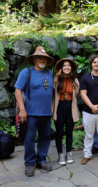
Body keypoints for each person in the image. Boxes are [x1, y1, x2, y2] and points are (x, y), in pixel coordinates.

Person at [15, 46, 55, 177]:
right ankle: (29, 163)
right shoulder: (26, 72)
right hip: (31, 113)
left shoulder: (50, 73)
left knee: (45, 137)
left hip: (46, 113)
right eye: (39, 57)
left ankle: (41, 160)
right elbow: (18, 91)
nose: (42, 59)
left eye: (44, 58)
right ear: (34, 59)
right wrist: (22, 109)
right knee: (30, 139)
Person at [52, 58, 79, 165]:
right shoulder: (56, 80)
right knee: (59, 133)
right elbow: (52, 94)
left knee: (69, 132)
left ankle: (68, 153)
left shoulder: (75, 81)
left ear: (71, 68)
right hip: (59, 107)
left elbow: (76, 95)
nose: (67, 67)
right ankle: (60, 155)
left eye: (68, 65)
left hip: (70, 108)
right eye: (64, 66)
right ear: (61, 68)